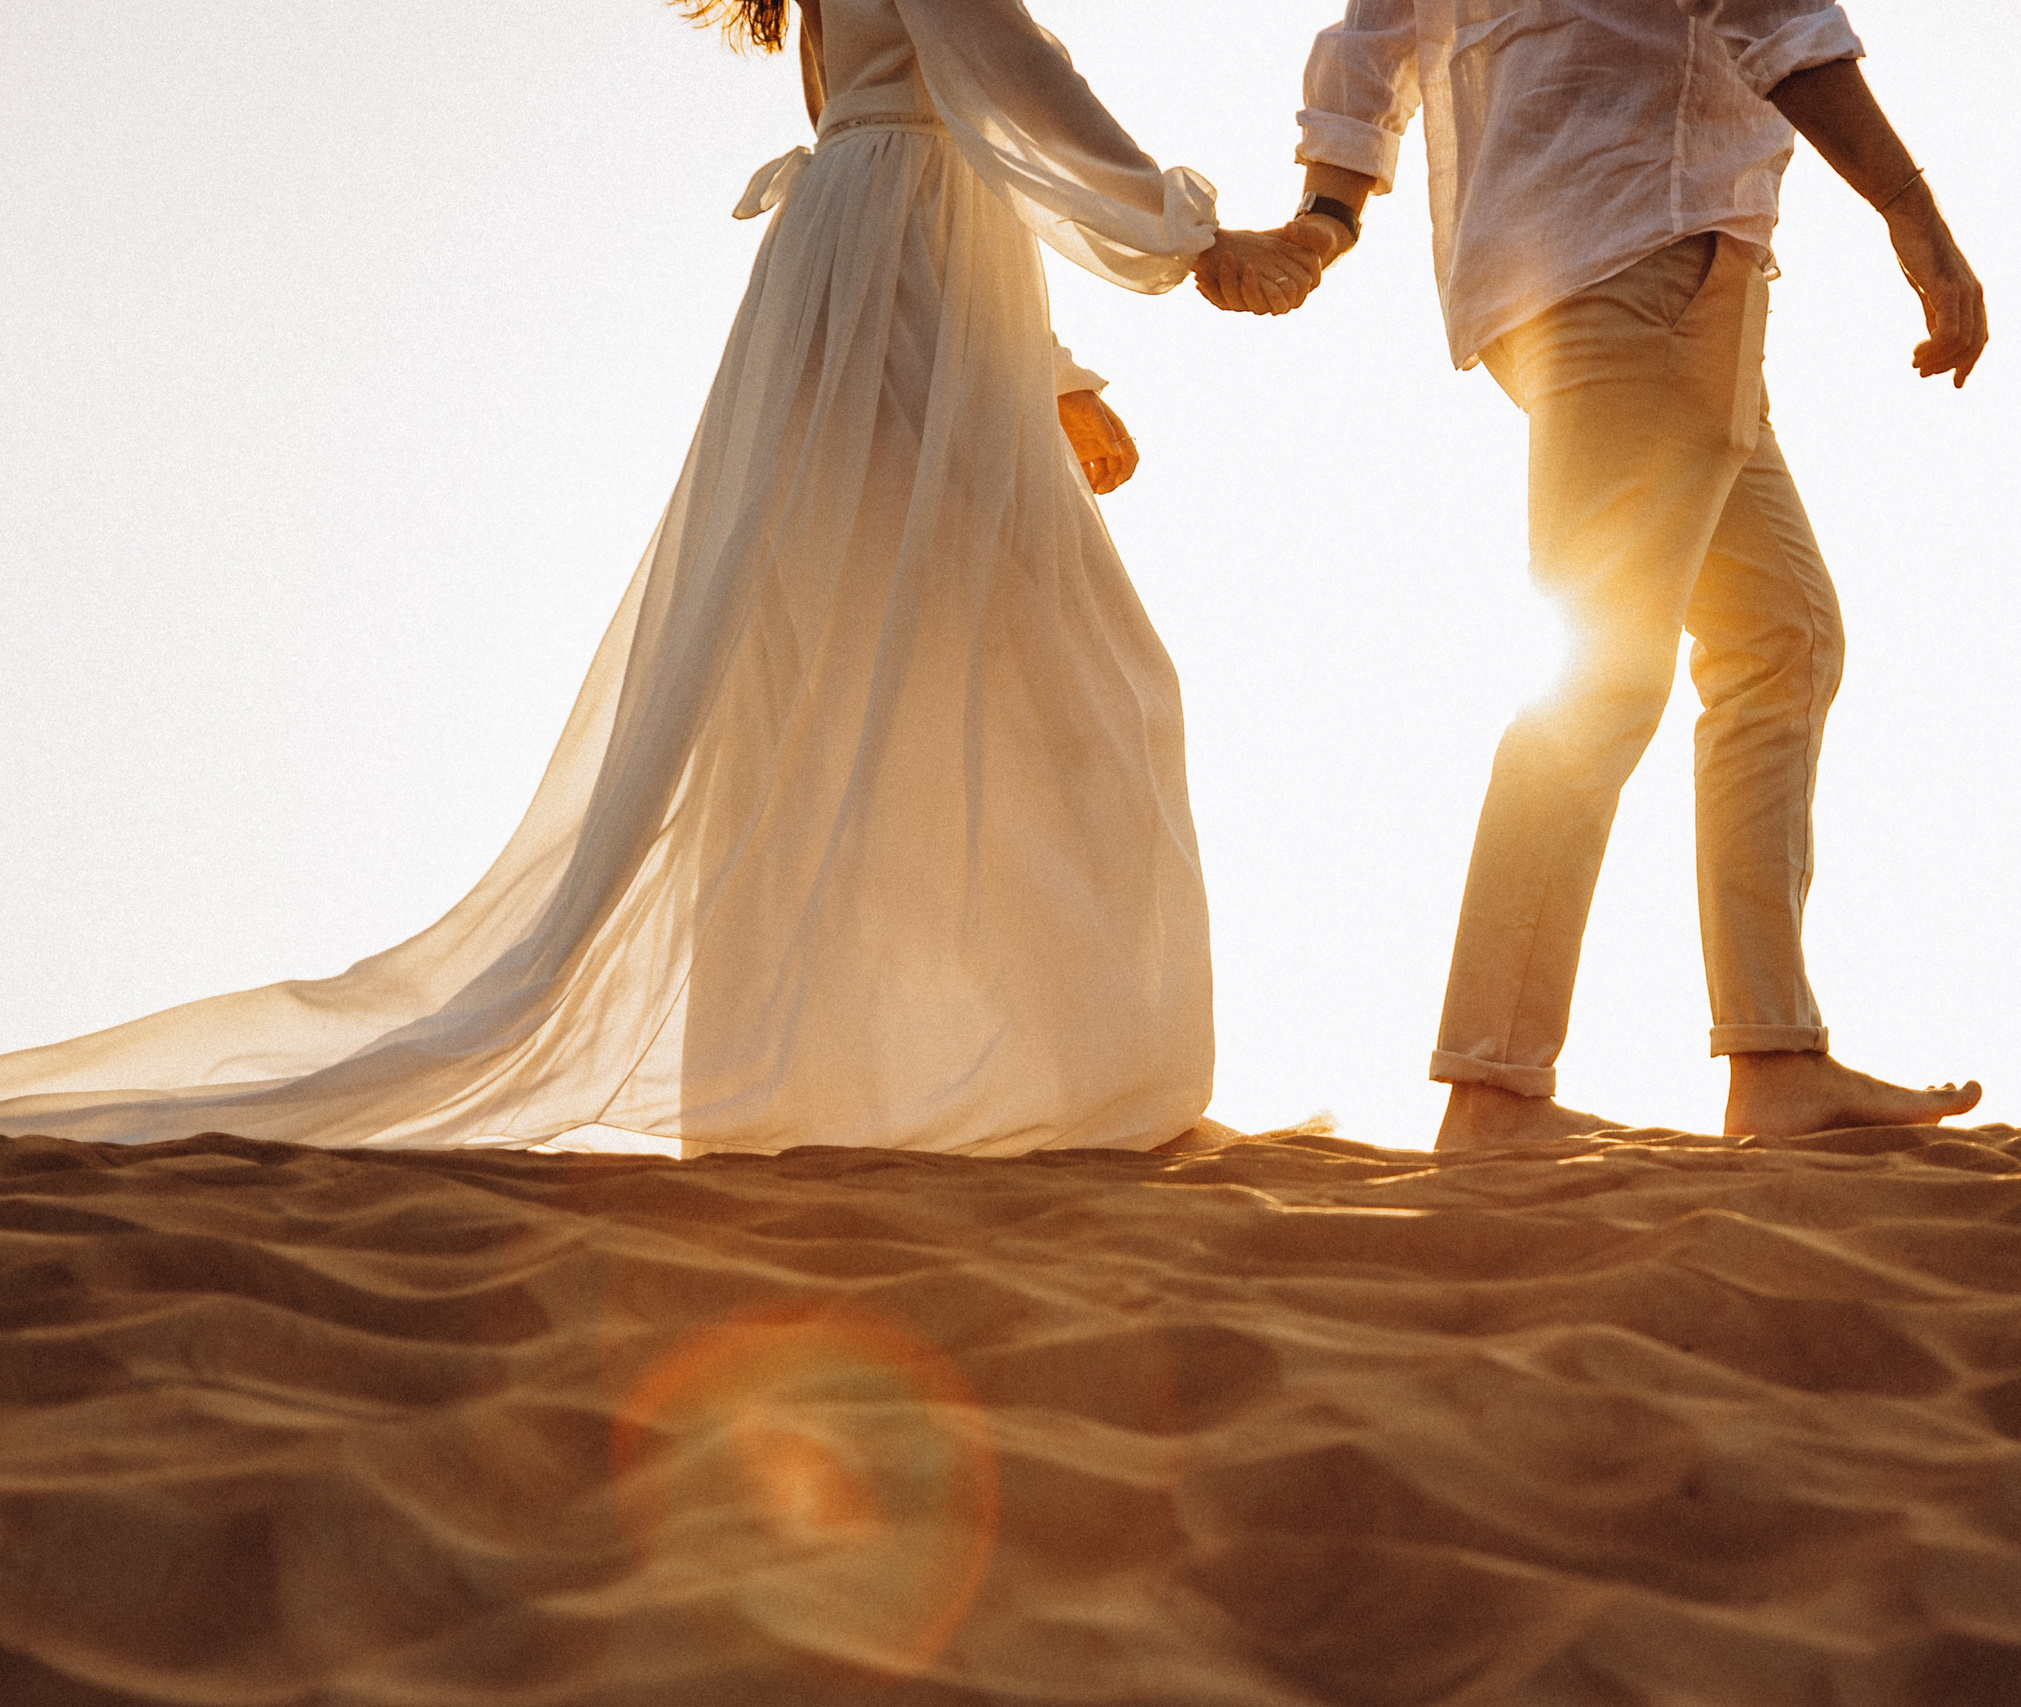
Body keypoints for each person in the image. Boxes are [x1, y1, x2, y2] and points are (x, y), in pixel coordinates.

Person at [0, 0, 1323, 1158]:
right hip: (896, 287)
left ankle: (886, 1065)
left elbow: (942, 121)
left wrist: (1055, 373)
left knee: (880, 673)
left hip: (880, 281)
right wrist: (1191, 240)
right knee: (1068, 673)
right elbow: (1010, 81)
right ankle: (1057, 1072)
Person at [1200, 0, 1988, 1146]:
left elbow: (1369, 42)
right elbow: (1774, 18)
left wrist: (1328, 216)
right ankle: (1495, 1089)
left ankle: (1773, 1062)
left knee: (1782, 634)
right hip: (1651, 245)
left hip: (1547, 271)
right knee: (1606, 678)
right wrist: (1915, 220)